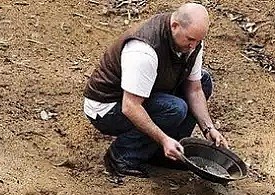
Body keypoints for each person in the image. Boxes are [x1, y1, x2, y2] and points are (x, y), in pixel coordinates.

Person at [83, 3, 228, 178]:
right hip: (107, 107)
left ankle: (164, 153)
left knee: (204, 82)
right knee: (175, 108)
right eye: (190, 39)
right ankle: (121, 156)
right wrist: (163, 139)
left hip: (143, 93)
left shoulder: (191, 42)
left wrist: (208, 128)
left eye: (198, 41)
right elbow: (130, 106)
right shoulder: (144, 49)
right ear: (174, 26)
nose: (193, 46)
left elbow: (195, 89)